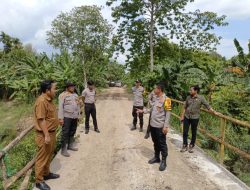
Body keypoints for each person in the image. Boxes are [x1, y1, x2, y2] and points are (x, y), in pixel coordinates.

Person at [137, 83, 171, 171]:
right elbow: (151, 109)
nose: (154, 90)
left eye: (155, 89)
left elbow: (168, 113)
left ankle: (164, 161)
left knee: (162, 144)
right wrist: (142, 111)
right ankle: (157, 157)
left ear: (159, 89)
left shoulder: (167, 99)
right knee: (155, 142)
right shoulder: (156, 98)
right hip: (153, 125)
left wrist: (165, 126)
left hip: (160, 126)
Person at [34, 80, 60, 190]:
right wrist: (46, 135)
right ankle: (39, 181)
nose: (55, 90)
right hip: (45, 134)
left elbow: (50, 117)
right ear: (47, 90)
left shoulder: (50, 100)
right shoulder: (41, 101)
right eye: (54, 88)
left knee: (48, 155)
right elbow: (41, 120)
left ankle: (46, 173)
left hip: (51, 132)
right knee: (42, 157)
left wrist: (58, 121)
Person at [180, 85, 217, 153]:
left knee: (194, 132)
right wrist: (182, 116)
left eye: (191, 90)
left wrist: (214, 112)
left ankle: (191, 146)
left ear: (196, 91)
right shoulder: (188, 97)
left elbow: (207, 106)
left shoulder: (201, 98)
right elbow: (184, 107)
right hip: (187, 116)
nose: (190, 91)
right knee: (185, 132)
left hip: (195, 117)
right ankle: (185, 145)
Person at [58, 82, 81, 157]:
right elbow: (60, 107)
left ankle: (70, 145)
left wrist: (79, 116)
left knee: (72, 131)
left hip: (74, 116)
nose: (72, 88)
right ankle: (63, 149)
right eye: (71, 87)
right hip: (67, 116)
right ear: (67, 87)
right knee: (65, 133)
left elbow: (78, 105)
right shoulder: (62, 95)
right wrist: (60, 118)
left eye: (73, 86)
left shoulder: (75, 95)